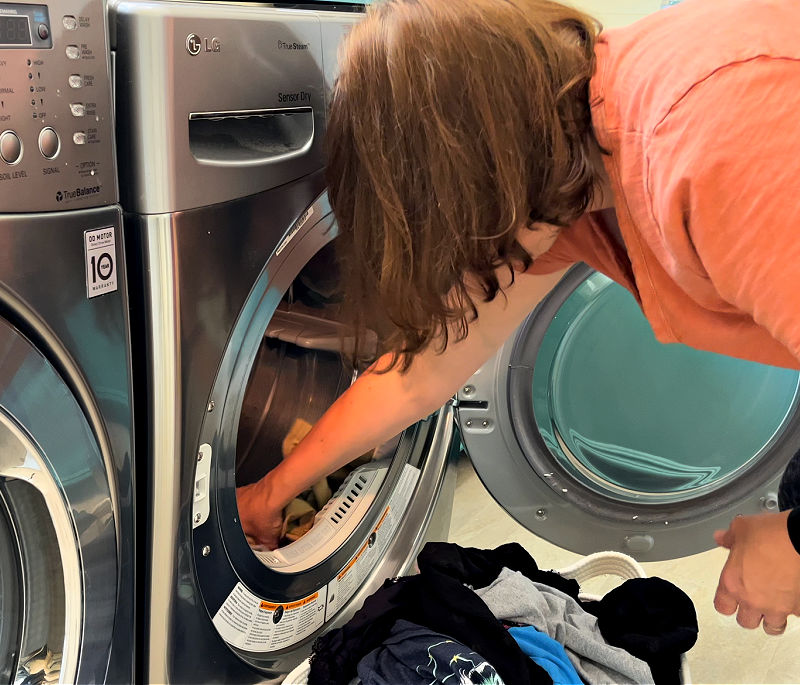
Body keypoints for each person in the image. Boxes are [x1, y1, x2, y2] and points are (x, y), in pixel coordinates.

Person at [237, 0, 800, 637]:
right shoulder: (570, 179)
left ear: (476, 180)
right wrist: (272, 490)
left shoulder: (705, 144)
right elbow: (422, 373)